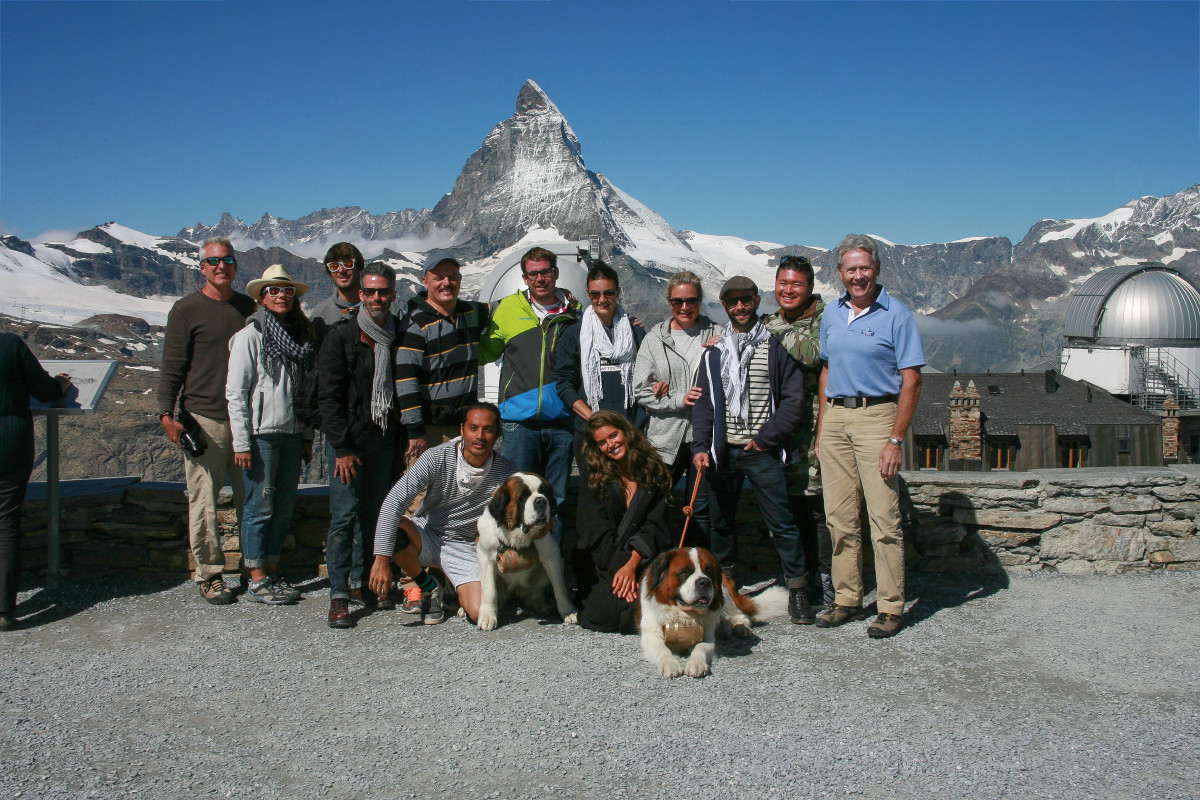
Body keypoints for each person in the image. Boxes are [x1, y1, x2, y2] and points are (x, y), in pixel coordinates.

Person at [815, 235, 924, 639]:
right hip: (837, 416)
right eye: (850, 269)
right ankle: (847, 598)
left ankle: (891, 606)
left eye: (864, 268)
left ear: (876, 269)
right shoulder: (832, 313)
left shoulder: (897, 314)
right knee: (839, 517)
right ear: (840, 273)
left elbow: (912, 380)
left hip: (878, 415)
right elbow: (826, 369)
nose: (858, 276)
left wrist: (896, 439)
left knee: (883, 518)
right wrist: (823, 426)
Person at [691, 276, 812, 624]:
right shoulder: (714, 352)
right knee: (721, 524)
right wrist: (702, 446)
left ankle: (799, 591)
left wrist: (766, 437)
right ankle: (728, 588)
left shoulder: (776, 345)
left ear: (757, 301)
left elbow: (793, 400)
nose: (740, 308)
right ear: (725, 306)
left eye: (746, 301)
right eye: (732, 303)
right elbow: (704, 406)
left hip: (761, 450)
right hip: (722, 450)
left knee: (782, 523)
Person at [159, 236, 256, 605]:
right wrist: (167, 414)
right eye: (214, 261)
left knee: (253, 499)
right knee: (204, 501)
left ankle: (255, 568)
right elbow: (172, 366)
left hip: (247, 419)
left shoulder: (248, 307)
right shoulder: (186, 310)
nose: (221, 266)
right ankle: (210, 574)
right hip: (206, 418)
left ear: (234, 265)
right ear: (202, 267)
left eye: (228, 260)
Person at [393, 250, 490, 612]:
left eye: (452, 276)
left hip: (463, 429)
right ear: (426, 281)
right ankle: (415, 584)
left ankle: (451, 580)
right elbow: (405, 380)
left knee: (462, 502)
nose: (446, 282)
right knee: (417, 503)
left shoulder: (471, 313)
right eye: (439, 277)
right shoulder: (415, 323)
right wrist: (415, 431)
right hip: (429, 430)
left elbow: (508, 309)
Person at [369, 403, 516, 625]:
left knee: (479, 614)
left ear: (497, 434)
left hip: (467, 546)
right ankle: (427, 586)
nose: (480, 436)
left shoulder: (506, 472)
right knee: (396, 529)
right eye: (473, 428)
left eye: (488, 429)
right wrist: (381, 558)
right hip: (429, 534)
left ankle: (450, 586)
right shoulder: (435, 457)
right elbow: (394, 501)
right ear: (462, 429)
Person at [318, 262, 406, 628]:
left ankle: (368, 583)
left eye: (382, 291)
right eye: (369, 291)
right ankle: (340, 593)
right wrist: (340, 446)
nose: (375, 298)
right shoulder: (342, 337)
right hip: (349, 444)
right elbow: (329, 396)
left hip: (384, 440)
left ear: (393, 294)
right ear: (360, 294)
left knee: (375, 515)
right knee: (344, 517)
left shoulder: (399, 335)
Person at [226, 265, 315, 605]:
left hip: (292, 433)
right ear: (261, 297)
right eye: (274, 291)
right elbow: (236, 392)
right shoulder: (248, 338)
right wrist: (242, 441)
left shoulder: (299, 337)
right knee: (260, 506)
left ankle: (272, 572)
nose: (281, 296)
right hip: (261, 434)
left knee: (283, 506)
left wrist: (306, 435)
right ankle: (256, 578)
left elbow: (306, 392)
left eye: (287, 291)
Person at [479, 246, 580, 544]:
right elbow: (486, 351)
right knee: (516, 497)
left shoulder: (574, 314)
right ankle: (516, 565)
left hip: (561, 420)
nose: (540, 279)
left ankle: (551, 570)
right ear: (524, 277)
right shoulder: (507, 309)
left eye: (545, 272)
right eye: (533, 273)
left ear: (556, 274)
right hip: (517, 421)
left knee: (554, 500)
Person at [553, 262, 647, 528]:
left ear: (618, 292)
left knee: (631, 500)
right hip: (590, 434)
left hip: (629, 431)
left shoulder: (635, 332)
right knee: (594, 501)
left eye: (608, 293)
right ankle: (595, 565)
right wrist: (594, 419)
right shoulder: (574, 334)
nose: (602, 300)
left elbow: (648, 376)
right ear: (587, 294)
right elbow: (564, 384)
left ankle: (627, 561)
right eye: (595, 294)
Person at [632, 270, 721, 546]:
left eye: (691, 301)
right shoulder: (654, 339)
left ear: (700, 300)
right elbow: (641, 391)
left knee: (700, 509)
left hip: (704, 437)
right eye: (677, 301)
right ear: (669, 302)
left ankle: (696, 572)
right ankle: (655, 567)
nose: (684, 307)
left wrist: (720, 351)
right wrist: (677, 399)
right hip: (664, 437)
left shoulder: (718, 335)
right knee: (654, 504)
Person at [765, 255, 834, 606]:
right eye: (783, 283)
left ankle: (826, 579)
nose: (788, 290)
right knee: (792, 504)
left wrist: (775, 326)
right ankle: (800, 577)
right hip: (784, 428)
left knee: (819, 505)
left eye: (796, 284)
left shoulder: (826, 318)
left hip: (818, 426)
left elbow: (812, 354)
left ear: (809, 288)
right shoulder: (776, 320)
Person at [574, 411, 672, 634]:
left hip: (644, 556)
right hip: (605, 559)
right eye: (602, 442)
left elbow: (656, 525)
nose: (611, 444)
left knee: (657, 594)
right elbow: (594, 533)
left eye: (614, 435)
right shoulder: (594, 479)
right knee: (603, 615)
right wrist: (622, 570)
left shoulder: (653, 470)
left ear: (626, 431)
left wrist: (632, 565)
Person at [0, 335, 69, 631]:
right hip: (10, 441)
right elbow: (45, 391)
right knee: (5, 524)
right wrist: (62, 384)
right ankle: (3, 610)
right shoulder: (10, 345)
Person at [310, 242, 364, 346]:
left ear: (359, 268)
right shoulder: (320, 314)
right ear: (330, 273)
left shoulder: (384, 308)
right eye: (334, 266)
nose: (341, 270)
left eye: (348, 264)